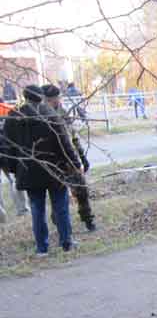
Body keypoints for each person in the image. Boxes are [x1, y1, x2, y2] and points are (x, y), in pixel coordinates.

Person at [3, 85, 80, 255]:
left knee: (37, 210)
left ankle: (42, 248)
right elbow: (65, 144)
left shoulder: (13, 117)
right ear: (41, 97)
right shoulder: (50, 115)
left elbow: (7, 147)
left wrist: (13, 169)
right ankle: (66, 242)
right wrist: (75, 164)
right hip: (54, 169)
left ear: (25, 97)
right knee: (61, 207)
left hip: (28, 171)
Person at [42, 84, 96, 231]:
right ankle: (58, 220)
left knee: (81, 190)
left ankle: (88, 219)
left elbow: (72, 135)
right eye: (57, 98)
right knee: (57, 195)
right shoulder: (39, 114)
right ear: (49, 99)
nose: (59, 100)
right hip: (52, 161)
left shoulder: (62, 111)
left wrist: (81, 155)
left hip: (69, 158)